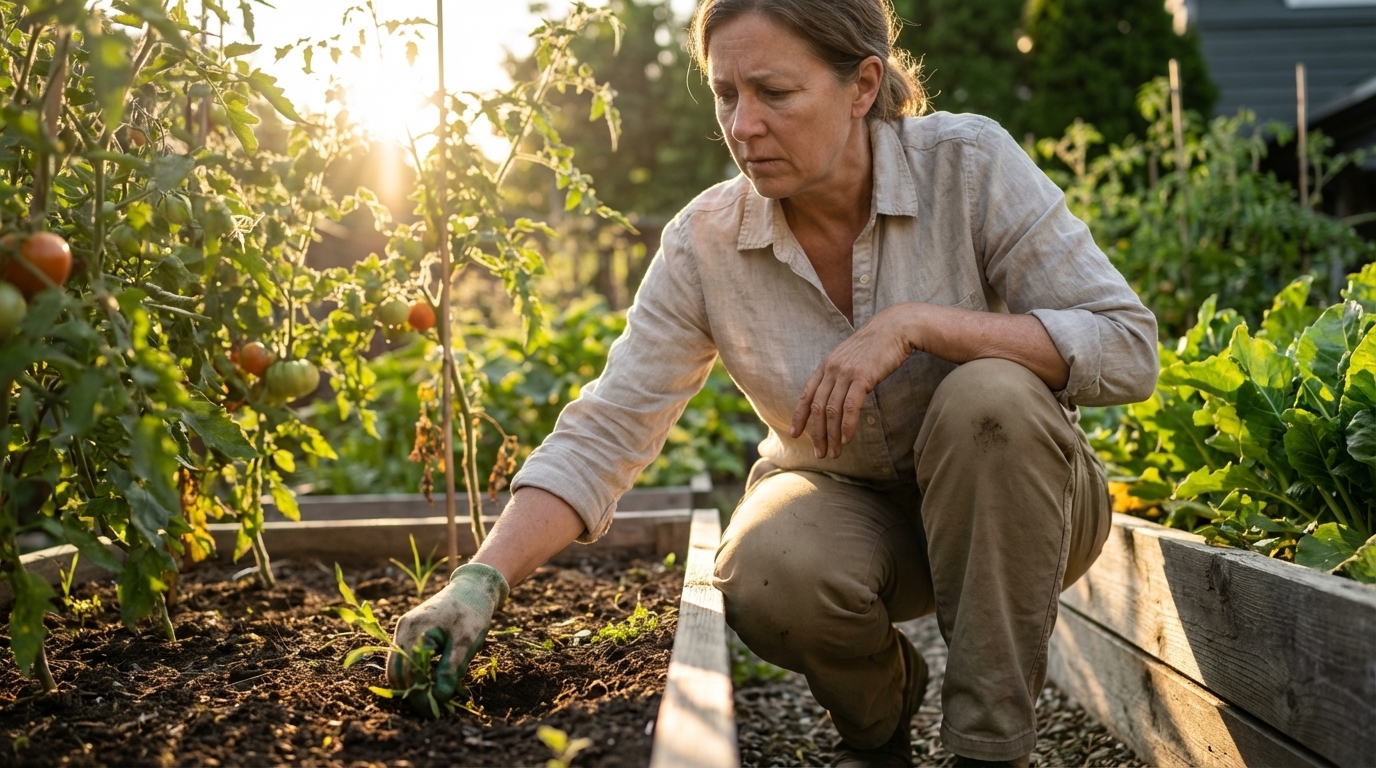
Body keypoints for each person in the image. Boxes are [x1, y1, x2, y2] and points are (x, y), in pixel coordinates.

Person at [387, 0, 1158, 765]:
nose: (742, 127)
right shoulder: (706, 242)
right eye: (726, 95)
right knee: (762, 567)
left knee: (989, 396)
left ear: (863, 86)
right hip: (851, 514)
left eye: (774, 94)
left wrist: (917, 324)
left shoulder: (968, 165)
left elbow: (1128, 346)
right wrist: (479, 581)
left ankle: (990, 751)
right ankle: (880, 717)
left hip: (1021, 507)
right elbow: (610, 425)